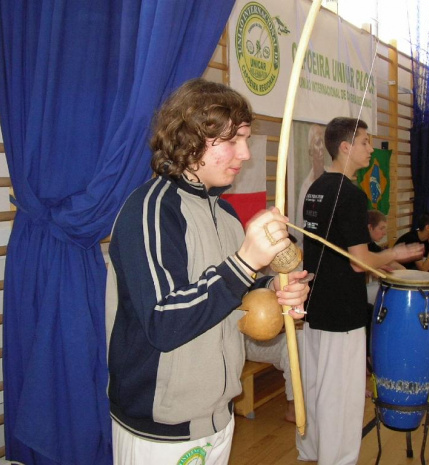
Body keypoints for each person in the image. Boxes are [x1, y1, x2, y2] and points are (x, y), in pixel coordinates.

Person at [105, 79, 310, 465]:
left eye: (246, 139)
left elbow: (227, 290)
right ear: (191, 138)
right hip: (160, 428)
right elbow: (164, 321)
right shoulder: (150, 211)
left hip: (217, 415)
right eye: (233, 140)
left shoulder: (226, 213)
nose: (245, 153)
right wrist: (248, 261)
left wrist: (277, 289)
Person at [297, 117, 423, 465]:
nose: (371, 148)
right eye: (366, 142)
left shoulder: (315, 187)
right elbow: (359, 262)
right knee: (340, 394)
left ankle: (311, 451)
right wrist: (396, 254)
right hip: (341, 311)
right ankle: (336, 459)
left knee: (316, 387)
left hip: (315, 306)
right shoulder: (351, 194)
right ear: (346, 147)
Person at [244, 333, 296, 422]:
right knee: (290, 345)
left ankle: (308, 398)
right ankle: (293, 406)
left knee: (300, 337)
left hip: (263, 336)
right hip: (244, 343)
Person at [295, 123, 326, 248]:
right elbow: (299, 229)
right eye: (318, 142)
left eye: (322, 142)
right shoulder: (307, 186)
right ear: (310, 150)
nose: (322, 147)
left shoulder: (331, 176)